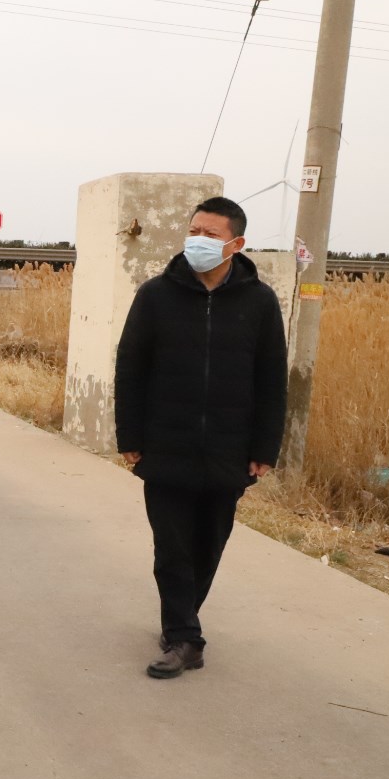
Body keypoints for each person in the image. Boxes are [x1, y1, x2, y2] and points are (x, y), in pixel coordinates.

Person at [114, 196, 288, 679]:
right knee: (171, 547)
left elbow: (272, 379)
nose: (198, 241)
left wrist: (264, 448)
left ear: (236, 244)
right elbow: (131, 368)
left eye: (210, 235)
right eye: (194, 231)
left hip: (229, 450)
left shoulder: (260, 302)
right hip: (166, 444)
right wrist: (129, 435)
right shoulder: (155, 295)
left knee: (208, 546)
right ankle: (186, 638)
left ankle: (180, 622)